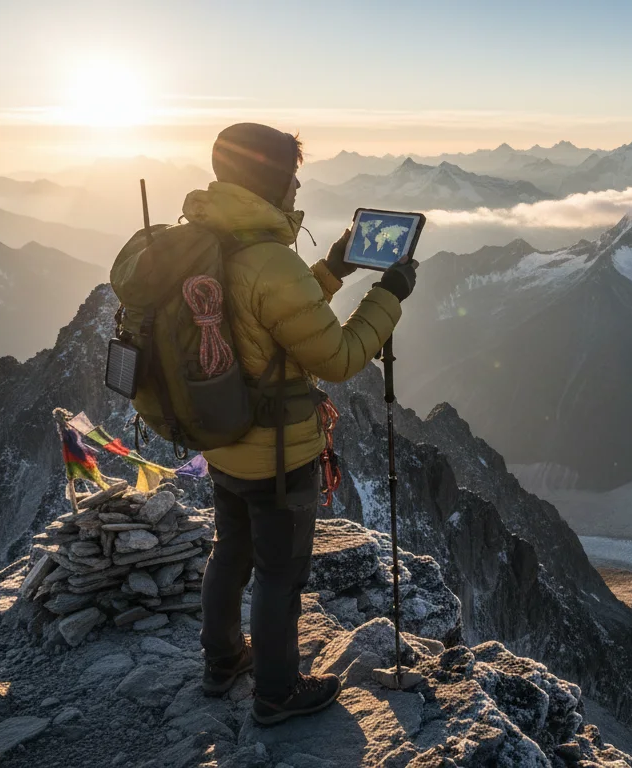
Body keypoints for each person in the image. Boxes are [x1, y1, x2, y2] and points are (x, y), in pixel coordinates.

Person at [184, 123, 417, 724]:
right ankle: (276, 694)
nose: (295, 188)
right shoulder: (269, 260)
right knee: (280, 576)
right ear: (271, 181)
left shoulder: (211, 240)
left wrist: (332, 268)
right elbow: (336, 358)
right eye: (291, 176)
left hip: (223, 440)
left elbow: (263, 317)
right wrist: (388, 293)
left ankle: (222, 663)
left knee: (229, 552)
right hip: (277, 456)